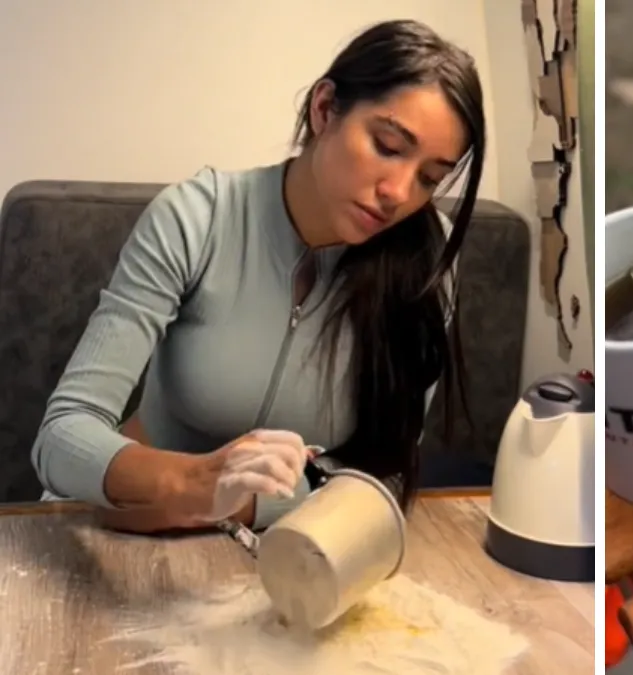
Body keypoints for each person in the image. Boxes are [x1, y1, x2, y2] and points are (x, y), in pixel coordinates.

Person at [30, 19, 485, 534]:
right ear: (324, 109)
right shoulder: (198, 219)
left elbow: (384, 475)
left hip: (289, 542)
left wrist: (244, 505)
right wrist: (191, 485)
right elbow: (63, 434)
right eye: (387, 145)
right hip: (124, 522)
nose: (400, 192)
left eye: (430, 177)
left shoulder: (427, 260)